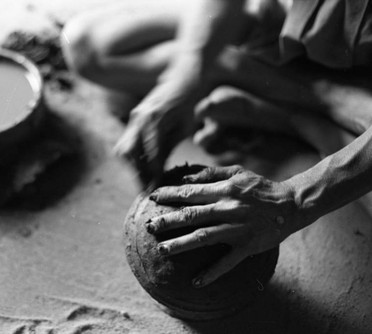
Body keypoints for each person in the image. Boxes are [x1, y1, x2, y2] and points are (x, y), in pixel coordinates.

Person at [60, 0, 372, 288]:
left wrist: (293, 201)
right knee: (87, 45)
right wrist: (183, 78)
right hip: (301, 26)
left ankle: (295, 115)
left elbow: (299, 200)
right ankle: (315, 99)